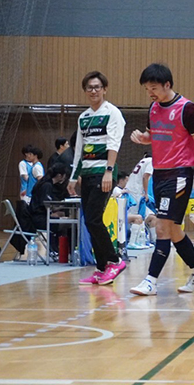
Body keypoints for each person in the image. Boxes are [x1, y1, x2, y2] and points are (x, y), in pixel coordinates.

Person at [129, 63, 194, 296]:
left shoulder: (186, 108)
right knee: (174, 230)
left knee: (162, 227)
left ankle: (150, 281)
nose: (150, 93)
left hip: (179, 173)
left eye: (154, 88)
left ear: (167, 85)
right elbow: (152, 136)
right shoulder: (153, 108)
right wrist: (142, 138)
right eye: (147, 89)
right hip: (159, 173)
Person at [68, 71, 127, 286]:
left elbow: (114, 143)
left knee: (93, 219)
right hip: (87, 175)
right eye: (89, 88)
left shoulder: (112, 113)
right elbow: (79, 149)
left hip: (104, 174)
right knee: (90, 221)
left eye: (97, 87)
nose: (93, 91)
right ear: (85, 91)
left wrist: (109, 172)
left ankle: (115, 261)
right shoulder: (83, 117)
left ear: (104, 89)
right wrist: (73, 177)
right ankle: (101, 268)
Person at [18, 145, 44, 213]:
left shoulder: (37, 167)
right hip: (29, 194)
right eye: (28, 154)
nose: (28, 156)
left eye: (30, 154)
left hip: (32, 195)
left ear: (35, 156)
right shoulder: (31, 165)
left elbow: (40, 181)